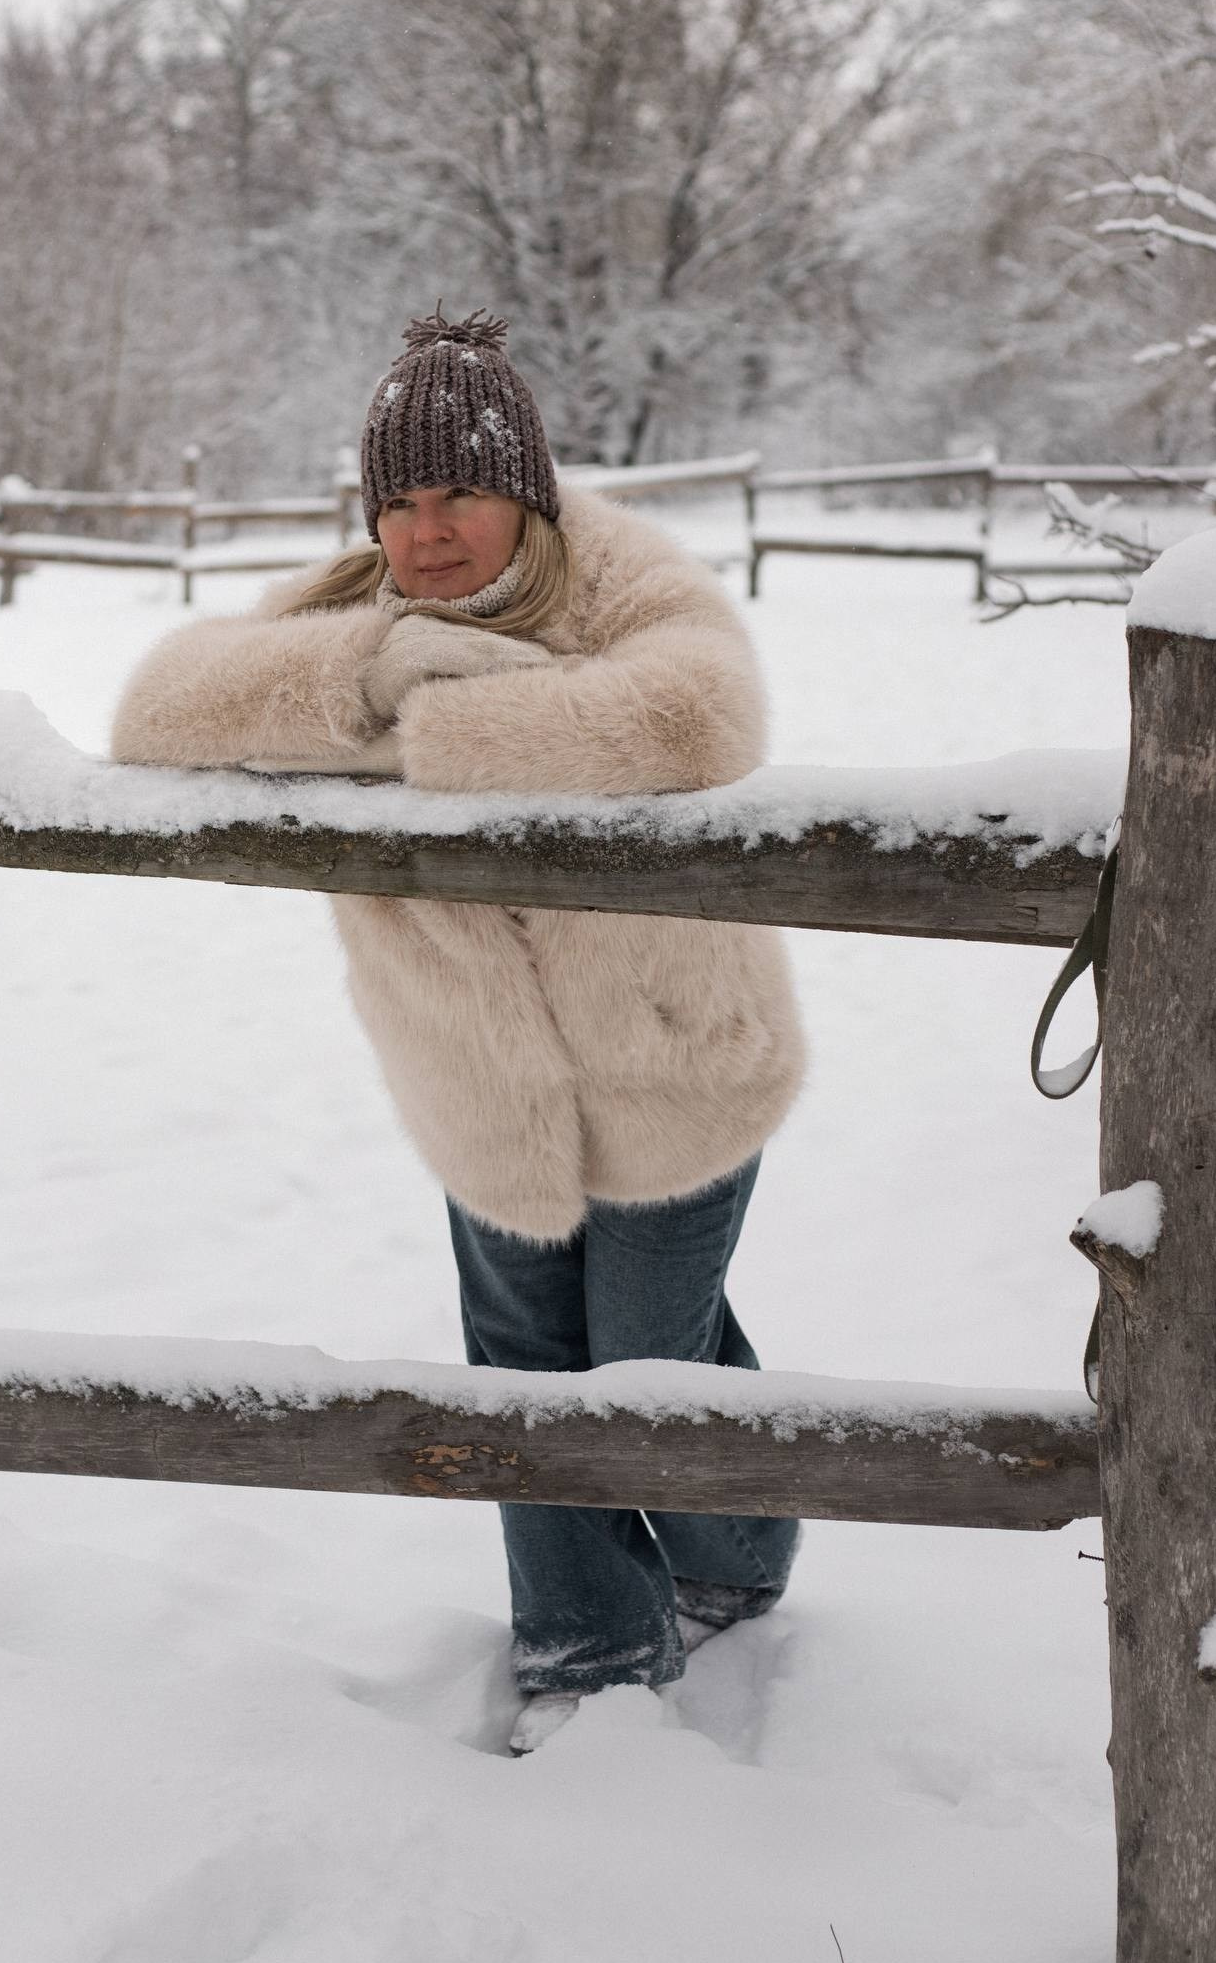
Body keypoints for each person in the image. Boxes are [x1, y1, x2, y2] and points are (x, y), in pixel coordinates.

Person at [111, 307, 807, 1752]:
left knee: (649, 1356)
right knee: (522, 1365)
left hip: (677, 1061)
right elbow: (158, 710)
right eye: (399, 502)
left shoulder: (616, 577)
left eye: (459, 495)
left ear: (525, 495)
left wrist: (452, 726)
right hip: (479, 1088)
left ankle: (738, 1555)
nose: (427, 533)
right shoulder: (349, 610)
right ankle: (587, 1646)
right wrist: (368, 679)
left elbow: (704, 712)